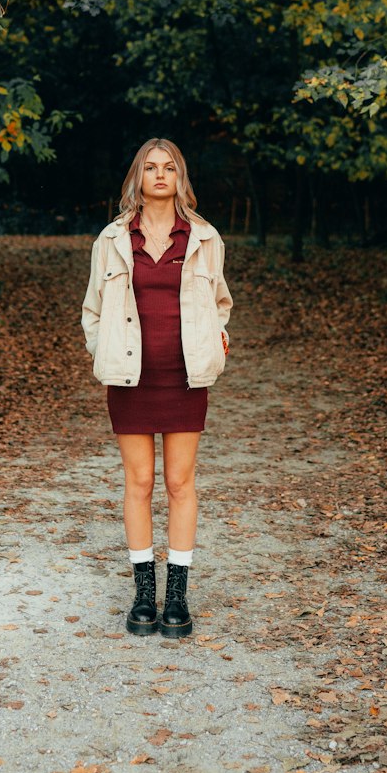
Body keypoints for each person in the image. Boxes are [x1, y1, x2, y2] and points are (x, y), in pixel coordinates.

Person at [81, 137, 232, 638]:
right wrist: (104, 350)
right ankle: (144, 595)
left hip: (185, 378)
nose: (160, 175)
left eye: (169, 168)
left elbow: (220, 303)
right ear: (138, 178)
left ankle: (178, 599)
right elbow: (93, 311)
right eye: (151, 167)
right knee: (140, 483)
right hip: (131, 377)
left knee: (180, 483)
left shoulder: (206, 237)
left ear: (180, 177)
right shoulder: (112, 238)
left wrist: (218, 339)